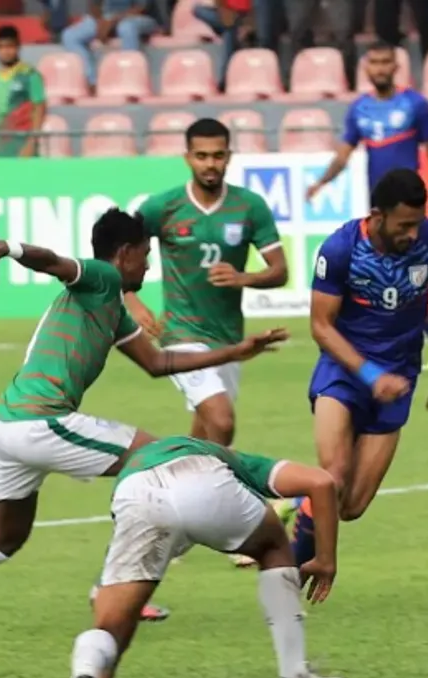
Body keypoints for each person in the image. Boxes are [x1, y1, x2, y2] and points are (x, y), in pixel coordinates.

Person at [0, 208, 289, 643]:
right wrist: (10, 249)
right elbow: (54, 261)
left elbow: (158, 362)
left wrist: (234, 352)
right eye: (145, 255)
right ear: (125, 253)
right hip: (42, 421)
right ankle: (111, 588)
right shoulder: (102, 277)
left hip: (5, 428)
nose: (149, 266)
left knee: (5, 538)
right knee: (165, 460)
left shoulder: (111, 309)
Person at [62, 436, 347, 678]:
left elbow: (105, 600)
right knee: (273, 546)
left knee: (112, 622)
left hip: (136, 497)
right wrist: (325, 560)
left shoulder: (138, 466)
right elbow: (322, 483)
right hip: (202, 478)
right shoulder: (237, 460)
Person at [124, 117, 288, 567]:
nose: (210, 164)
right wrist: (131, 299)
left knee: (201, 444)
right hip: (182, 337)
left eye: (218, 155)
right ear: (187, 158)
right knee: (222, 419)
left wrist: (244, 276)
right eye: (202, 155)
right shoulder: (163, 207)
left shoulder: (249, 207)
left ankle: (166, 518)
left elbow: (280, 270)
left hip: (228, 342)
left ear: (229, 157)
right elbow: (118, 249)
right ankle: (244, 523)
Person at [288, 169, 428, 567]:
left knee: (351, 506)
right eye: (404, 225)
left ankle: (295, 498)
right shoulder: (341, 249)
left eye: (417, 223)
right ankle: (285, 579)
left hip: (399, 377)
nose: (413, 234)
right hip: (344, 372)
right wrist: (369, 375)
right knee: (332, 474)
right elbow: (320, 326)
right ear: (377, 215)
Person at [306, 41, 428, 369]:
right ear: (366, 67)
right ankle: (417, 339)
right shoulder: (359, 109)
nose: (380, 68)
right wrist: (322, 182)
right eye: (374, 62)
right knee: (388, 281)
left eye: (385, 62)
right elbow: (344, 153)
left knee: (410, 279)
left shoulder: (414, 104)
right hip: (379, 214)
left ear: (396, 66)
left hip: (407, 211)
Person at [61, 1, 160, 87]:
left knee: (126, 28)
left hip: (140, 17)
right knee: (70, 35)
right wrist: (100, 21)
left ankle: (130, 78)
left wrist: (112, 21)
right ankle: (92, 81)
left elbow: (141, 8)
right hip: (108, 18)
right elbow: (94, 5)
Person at [0, 25, 46, 159]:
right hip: (0, 143)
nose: (5, 51)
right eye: (1, 47)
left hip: (22, 143)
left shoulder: (29, 74)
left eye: (10, 46)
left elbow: (39, 109)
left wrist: (31, 143)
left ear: (18, 46)